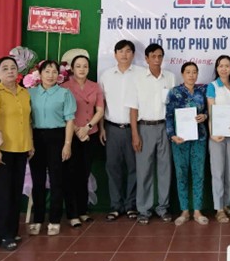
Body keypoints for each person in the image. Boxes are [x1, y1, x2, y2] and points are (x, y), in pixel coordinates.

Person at [126, 43, 176, 224]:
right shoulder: (137, 79)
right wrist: (135, 134)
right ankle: (144, 210)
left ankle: (163, 207)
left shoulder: (170, 77)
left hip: (165, 127)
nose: (157, 59)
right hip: (144, 128)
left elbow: (174, 105)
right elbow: (133, 109)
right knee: (144, 170)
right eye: (153, 56)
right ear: (146, 58)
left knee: (165, 169)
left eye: (160, 56)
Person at [0, 56, 33, 250]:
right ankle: (2, 235)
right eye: (5, 68)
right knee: (2, 194)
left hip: (21, 148)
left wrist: (31, 144)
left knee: (15, 192)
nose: (10, 71)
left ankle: (12, 231)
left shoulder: (24, 92)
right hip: (2, 150)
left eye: (13, 67)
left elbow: (27, 120)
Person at [27, 60, 76, 236]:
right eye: (47, 71)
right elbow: (27, 120)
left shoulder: (65, 93)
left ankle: (54, 220)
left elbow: (70, 120)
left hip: (58, 137)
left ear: (59, 75)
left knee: (57, 180)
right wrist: (30, 143)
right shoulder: (30, 93)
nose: (50, 75)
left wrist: (67, 144)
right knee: (37, 181)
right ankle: (38, 219)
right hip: (36, 138)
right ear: (40, 74)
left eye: (54, 72)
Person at [99, 40, 143, 221]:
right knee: (113, 168)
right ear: (115, 54)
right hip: (112, 128)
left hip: (135, 128)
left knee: (134, 168)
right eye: (121, 51)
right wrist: (101, 127)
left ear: (133, 54)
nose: (124, 54)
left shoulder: (141, 74)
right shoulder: (106, 75)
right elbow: (101, 104)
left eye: (128, 51)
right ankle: (116, 206)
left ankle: (131, 205)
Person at [61, 55, 104, 227]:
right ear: (72, 68)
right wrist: (77, 130)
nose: (82, 69)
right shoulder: (65, 87)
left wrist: (87, 127)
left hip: (90, 134)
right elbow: (62, 112)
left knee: (84, 173)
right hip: (71, 135)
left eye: (85, 66)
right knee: (70, 174)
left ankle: (83, 211)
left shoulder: (95, 86)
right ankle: (72, 214)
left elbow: (99, 110)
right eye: (78, 66)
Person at [166, 62, 209, 226]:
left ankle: (197, 211)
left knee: (198, 174)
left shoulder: (202, 91)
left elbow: (207, 111)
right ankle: (184, 211)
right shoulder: (174, 92)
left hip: (199, 138)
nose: (191, 75)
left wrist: (204, 116)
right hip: (180, 140)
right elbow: (169, 116)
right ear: (182, 74)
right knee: (181, 174)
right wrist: (172, 135)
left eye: (194, 72)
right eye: (188, 72)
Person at [207, 55, 230, 223]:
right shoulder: (213, 86)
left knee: (229, 173)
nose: (224, 69)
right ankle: (218, 209)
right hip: (216, 135)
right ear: (217, 68)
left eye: (227, 65)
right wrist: (212, 133)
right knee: (218, 173)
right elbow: (210, 111)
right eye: (221, 66)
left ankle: (226, 204)